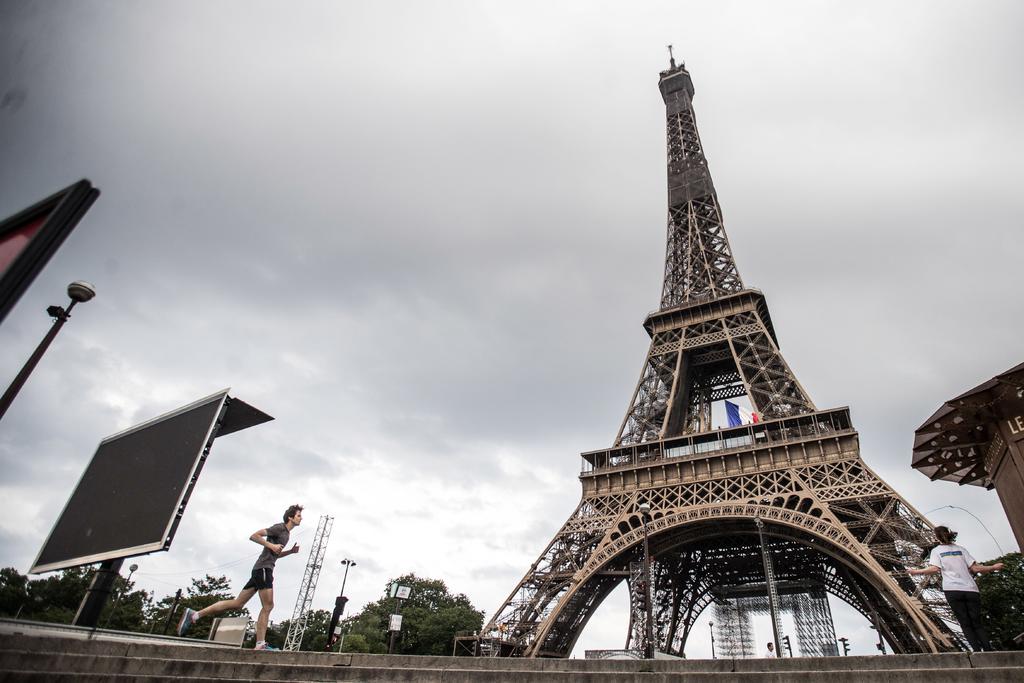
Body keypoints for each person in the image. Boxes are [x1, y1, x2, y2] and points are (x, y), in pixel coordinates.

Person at [177, 504, 303, 650]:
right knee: (268, 606)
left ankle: (195, 615)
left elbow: (276, 554)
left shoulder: (287, 534)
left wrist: (290, 552)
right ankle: (260, 644)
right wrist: (270, 545)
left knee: (237, 604)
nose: (301, 518)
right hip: (263, 569)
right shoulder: (279, 528)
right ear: (290, 517)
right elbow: (254, 536)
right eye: (299, 515)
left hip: (261, 569)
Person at [907, 525, 1004, 651]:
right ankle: (989, 650)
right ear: (949, 534)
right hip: (970, 589)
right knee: (977, 623)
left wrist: (915, 571)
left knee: (965, 623)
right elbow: (975, 568)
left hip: (953, 590)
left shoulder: (937, 551)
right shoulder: (961, 549)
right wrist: (993, 567)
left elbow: (935, 569)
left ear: (936, 537)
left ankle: (977, 652)